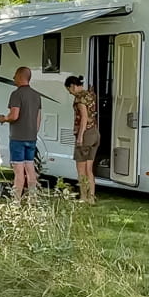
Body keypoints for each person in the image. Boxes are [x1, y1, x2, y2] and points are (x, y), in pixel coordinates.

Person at [0, 67, 42, 199]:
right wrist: (34, 131)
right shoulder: (36, 95)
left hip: (18, 138)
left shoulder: (16, 94)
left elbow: (14, 115)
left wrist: (3, 119)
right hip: (32, 137)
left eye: (15, 75)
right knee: (30, 167)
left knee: (18, 171)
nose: (13, 78)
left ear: (21, 77)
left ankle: (16, 201)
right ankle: (32, 199)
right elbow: (38, 117)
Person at [65, 75, 99, 203]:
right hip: (95, 133)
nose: (70, 92)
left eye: (69, 90)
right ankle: (91, 197)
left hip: (86, 135)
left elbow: (84, 117)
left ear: (72, 86)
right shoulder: (90, 95)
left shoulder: (79, 98)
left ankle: (83, 196)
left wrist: (80, 136)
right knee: (89, 169)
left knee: (81, 169)